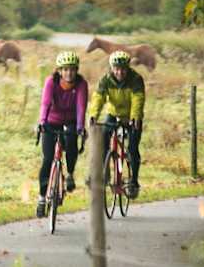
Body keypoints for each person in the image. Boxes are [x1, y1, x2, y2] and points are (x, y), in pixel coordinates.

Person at [35, 51, 88, 217]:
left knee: (71, 145)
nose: (69, 73)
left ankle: (70, 174)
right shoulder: (51, 82)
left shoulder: (81, 84)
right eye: (65, 70)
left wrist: (80, 127)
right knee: (47, 159)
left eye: (72, 69)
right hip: (51, 121)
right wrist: (42, 122)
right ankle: (42, 198)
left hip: (71, 122)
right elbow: (45, 103)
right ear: (59, 70)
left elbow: (81, 107)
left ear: (76, 70)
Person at [88, 50, 146, 198]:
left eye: (123, 69)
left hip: (131, 116)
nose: (119, 72)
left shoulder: (136, 79)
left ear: (128, 68)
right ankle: (104, 174)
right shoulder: (106, 79)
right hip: (113, 114)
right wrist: (94, 115)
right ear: (112, 68)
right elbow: (98, 98)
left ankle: (133, 181)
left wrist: (135, 117)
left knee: (132, 148)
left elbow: (137, 99)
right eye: (116, 68)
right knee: (102, 142)